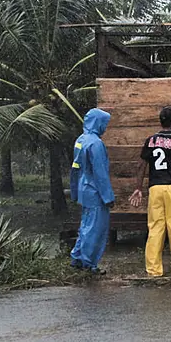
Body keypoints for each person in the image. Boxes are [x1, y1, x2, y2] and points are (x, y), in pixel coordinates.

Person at [128, 106, 171, 277]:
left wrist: (138, 187)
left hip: (156, 187)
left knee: (155, 228)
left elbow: (141, 164)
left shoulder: (150, 140)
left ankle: (153, 270)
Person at [70, 108, 115, 275]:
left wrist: (75, 191)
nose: (105, 127)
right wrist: (108, 196)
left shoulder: (81, 140)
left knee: (85, 225)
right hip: (95, 191)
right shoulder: (96, 144)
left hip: (84, 189)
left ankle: (77, 257)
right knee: (95, 228)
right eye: (105, 124)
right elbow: (100, 173)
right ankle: (89, 264)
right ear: (98, 123)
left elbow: (75, 168)